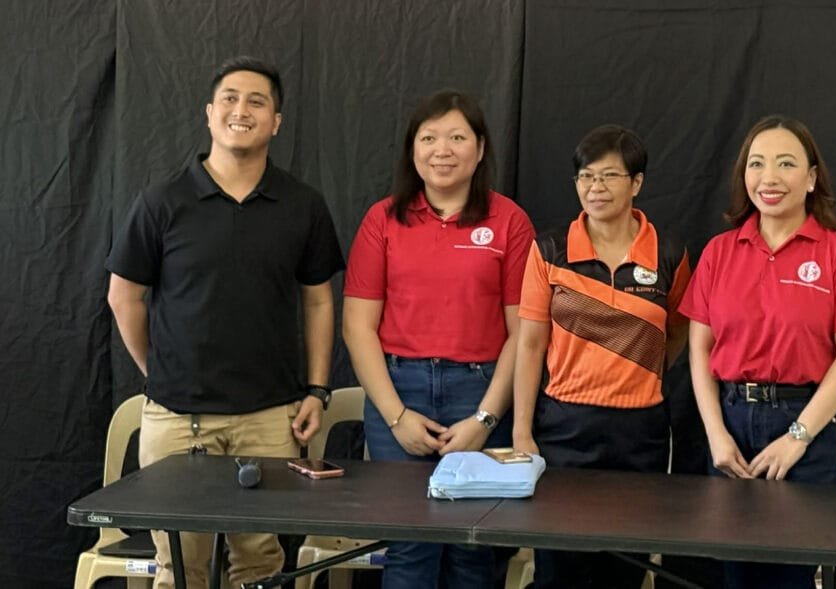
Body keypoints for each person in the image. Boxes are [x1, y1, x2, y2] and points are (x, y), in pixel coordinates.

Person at [105, 56, 344, 588]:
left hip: (270, 419)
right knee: (181, 569)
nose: (242, 110)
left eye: (257, 101)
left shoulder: (302, 205)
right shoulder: (162, 203)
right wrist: (161, 368)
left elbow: (320, 303)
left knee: (261, 567)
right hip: (177, 419)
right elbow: (124, 297)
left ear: (276, 122)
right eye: (230, 99)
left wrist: (318, 388)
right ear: (210, 114)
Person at [678, 115, 836, 588]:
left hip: (806, 426)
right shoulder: (719, 252)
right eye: (757, 164)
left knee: (789, 577)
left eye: (786, 164)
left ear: (812, 178)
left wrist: (798, 436)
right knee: (738, 575)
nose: (768, 177)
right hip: (730, 426)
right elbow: (699, 349)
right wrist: (715, 434)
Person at [342, 89, 535, 589]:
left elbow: (525, 332)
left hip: (481, 390)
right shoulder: (383, 219)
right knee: (409, 548)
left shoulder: (509, 221)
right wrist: (396, 416)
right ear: (412, 149)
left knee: (474, 548)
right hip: (398, 391)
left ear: (481, 148)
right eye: (428, 138)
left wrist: (485, 419)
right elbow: (358, 327)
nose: (441, 150)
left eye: (456, 137)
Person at [512, 124, 691, 589]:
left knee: (625, 567)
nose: (596, 188)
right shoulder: (549, 251)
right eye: (586, 177)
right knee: (559, 569)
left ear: (636, 183)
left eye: (609, 176)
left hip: (640, 434)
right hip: (564, 429)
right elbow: (530, 345)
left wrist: (637, 373)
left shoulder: (670, 253)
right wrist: (521, 431)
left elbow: (678, 332)